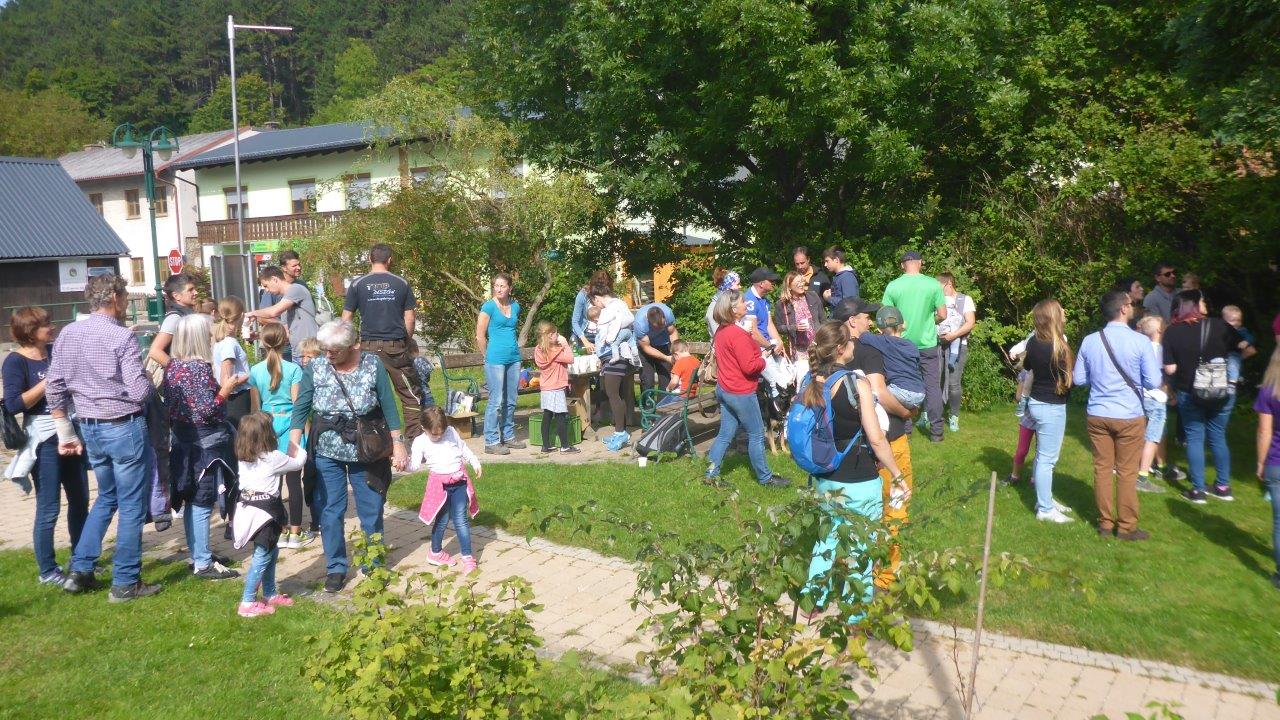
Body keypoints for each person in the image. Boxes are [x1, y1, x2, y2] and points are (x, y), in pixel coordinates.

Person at [47, 274, 159, 601]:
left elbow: (54, 385)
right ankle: (125, 581)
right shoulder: (121, 336)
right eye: (125, 297)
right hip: (123, 425)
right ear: (114, 298)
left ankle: (80, 570)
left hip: (90, 426)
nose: (126, 303)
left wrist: (64, 430)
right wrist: (150, 378)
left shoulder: (68, 333)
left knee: (107, 496)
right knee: (131, 504)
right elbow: (138, 391)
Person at [289, 320, 408, 593]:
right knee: (331, 510)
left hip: (366, 450)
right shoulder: (316, 367)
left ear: (353, 345)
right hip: (327, 451)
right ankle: (336, 567)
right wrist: (294, 445)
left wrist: (398, 443)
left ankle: (373, 564)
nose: (328, 354)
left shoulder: (372, 364)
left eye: (335, 350)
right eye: (325, 349)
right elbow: (301, 407)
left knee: (371, 508)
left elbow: (389, 406)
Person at [801, 321, 904, 616]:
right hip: (858, 477)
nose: (854, 347)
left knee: (827, 538)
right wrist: (897, 474)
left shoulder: (810, 381)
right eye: (850, 343)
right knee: (861, 546)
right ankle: (855, 613)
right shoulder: (856, 384)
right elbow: (876, 437)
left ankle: (812, 602)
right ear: (841, 349)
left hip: (824, 475)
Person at [831, 297, 916, 586]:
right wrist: (906, 412)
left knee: (848, 515)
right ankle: (884, 576)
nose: (870, 320)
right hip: (887, 440)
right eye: (866, 316)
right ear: (852, 321)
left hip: (847, 447)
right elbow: (879, 392)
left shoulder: (827, 351)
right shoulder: (869, 351)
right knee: (893, 508)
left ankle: (846, 571)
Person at [2, 307, 89, 585]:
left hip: (71, 433)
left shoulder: (55, 351)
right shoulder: (15, 362)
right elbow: (14, 404)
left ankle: (80, 561)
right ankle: (48, 570)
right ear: (30, 331)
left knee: (80, 500)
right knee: (49, 507)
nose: (51, 327)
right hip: (44, 441)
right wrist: (49, 381)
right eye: (45, 324)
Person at [1073, 290, 1162, 540]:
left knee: (1102, 468)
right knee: (1126, 471)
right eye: (1130, 303)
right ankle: (1126, 527)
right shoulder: (1140, 342)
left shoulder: (1090, 341)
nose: (1133, 306)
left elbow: (1078, 379)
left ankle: (1105, 524)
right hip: (1129, 415)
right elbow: (1153, 381)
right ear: (1123, 308)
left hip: (1098, 413)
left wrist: (1100, 379)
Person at [164, 313, 244, 581]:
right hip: (204, 445)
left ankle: (199, 553)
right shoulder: (198, 369)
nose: (212, 337)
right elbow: (207, 411)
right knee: (202, 500)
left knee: (190, 498)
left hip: (183, 440)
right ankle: (203, 563)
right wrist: (225, 390)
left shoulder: (173, 366)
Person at [1162, 289, 1250, 503]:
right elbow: (1247, 348)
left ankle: (1198, 490)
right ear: (1195, 305)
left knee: (1194, 437)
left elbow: (1170, 368)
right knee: (1218, 436)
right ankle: (1223, 487)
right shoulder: (1220, 326)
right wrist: (1228, 365)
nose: (1205, 303)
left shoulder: (1172, 332)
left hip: (1189, 391)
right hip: (1220, 389)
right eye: (1201, 300)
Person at [704, 290, 791, 487]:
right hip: (740, 392)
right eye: (743, 302)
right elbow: (750, 367)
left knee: (725, 435)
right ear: (733, 309)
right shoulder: (737, 334)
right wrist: (764, 358)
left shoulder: (721, 331)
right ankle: (766, 478)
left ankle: (710, 474)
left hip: (725, 389)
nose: (747, 304)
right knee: (757, 434)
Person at [341, 243, 423, 441]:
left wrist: (351, 344)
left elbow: (346, 319)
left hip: (368, 348)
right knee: (410, 394)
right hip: (395, 348)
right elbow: (410, 319)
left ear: (370, 259)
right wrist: (406, 340)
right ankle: (414, 441)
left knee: (367, 394)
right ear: (390, 260)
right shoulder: (401, 283)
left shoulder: (357, 284)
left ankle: (374, 442)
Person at [232, 412, 305, 618]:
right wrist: (295, 446)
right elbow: (299, 462)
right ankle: (247, 602)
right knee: (262, 556)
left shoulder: (244, 458)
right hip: (266, 514)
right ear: (267, 435)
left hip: (248, 510)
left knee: (271, 551)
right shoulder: (273, 458)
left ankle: (270, 593)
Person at [248, 322, 315, 549]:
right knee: (294, 483)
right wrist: (307, 432)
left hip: (267, 427)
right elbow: (299, 405)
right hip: (291, 426)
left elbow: (255, 407)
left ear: (263, 342)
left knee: (273, 483)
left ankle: (281, 528)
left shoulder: (255, 370)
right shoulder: (294, 369)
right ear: (285, 341)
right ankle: (296, 532)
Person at [880, 251, 947, 442]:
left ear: (902, 265)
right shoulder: (933, 284)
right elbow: (943, 314)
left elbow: (886, 317)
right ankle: (937, 432)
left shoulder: (893, 286)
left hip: (902, 344)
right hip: (927, 344)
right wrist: (930, 320)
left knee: (903, 384)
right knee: (932, 386)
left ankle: (905, 429)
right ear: (920, 263)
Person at [1020, 300, 1077, 523]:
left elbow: (1027, 367)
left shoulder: (1033, 342)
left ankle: (1046, 499)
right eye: (1061, 310)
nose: (1064, 312)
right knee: (1047, 459)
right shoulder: (1059, 346)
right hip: (1051, 406)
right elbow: (1069, 380)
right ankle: (1045, 509)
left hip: (1037, 402)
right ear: (1054, 316)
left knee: (1042, 454)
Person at [411, 405, 483, 572]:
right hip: (440, 487)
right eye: (434, 434)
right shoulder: (420, 442)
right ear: (424, 428)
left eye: (441, 432)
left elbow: (463, 448)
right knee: (442, 520)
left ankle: (467, 557)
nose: (439, 436)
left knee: (461, 519)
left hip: (459, 483)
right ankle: (435, 553)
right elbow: (414, 465)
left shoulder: (450, 431)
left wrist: (475, 462)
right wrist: (402, 464)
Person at [475, 273, 525, 455]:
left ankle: (508, 435)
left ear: (510, 288)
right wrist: (486, 356)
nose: (499, 289)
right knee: (495, 401)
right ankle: (491, 441)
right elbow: (480, 335)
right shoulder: (488, 307)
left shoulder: (515, 306)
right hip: (495, 359)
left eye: (502, 286)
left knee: (511, 400)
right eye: (496, 285)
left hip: (514, 358)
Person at [590, 285, 638, 449]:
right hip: (612, 356)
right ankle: (620, 431)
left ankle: (620, 433)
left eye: (595, 302)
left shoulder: (613, 307)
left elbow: (623, 323)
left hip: (614, 357)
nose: (596, 306)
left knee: (612, 395)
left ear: (598, 298)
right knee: (617, 395)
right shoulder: (617, 305)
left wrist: (608, 338)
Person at [857, 306, 926, 411]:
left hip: (901, 390)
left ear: (880, 328)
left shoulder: (885, 342)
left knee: (875, 394)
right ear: (901, 324)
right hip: (919, 392)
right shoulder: (911, 345)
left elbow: (864, 337)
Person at [248, 266, 319, 361]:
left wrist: (252, 313)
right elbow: (286, 333)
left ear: (274, 279)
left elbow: (274, 312)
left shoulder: (296, 289)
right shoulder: (286, 301)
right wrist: (258, 335)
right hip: (298, 354)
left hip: (310, 354)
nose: (266, 290)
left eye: (266, 286)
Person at [1134, 315, 1171, 494]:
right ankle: (1142, 477)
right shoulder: (1161, 350)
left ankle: (1136, 467)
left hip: (1140, 397)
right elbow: (1163, 377)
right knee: (1152, 437)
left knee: (1141, 433)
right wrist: (1169, 392)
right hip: (1156, 398)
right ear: (1159, 330)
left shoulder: (1140, 348)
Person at [936, 272, 976, 432]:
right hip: (937, 345)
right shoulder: (938, 300)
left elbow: (970, 322)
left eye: (940, 287)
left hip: (958, 346)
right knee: (934, 381)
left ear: (949, 284)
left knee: (953, 383)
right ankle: (930, 414)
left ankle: (953, 416)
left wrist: (953, 335)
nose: (938, 290)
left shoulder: (965, 299)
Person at [1254, 348, 1280, 590]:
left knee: (1279, 522)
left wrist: (1261, 463)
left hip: (1276, 463)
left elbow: (1264, 431)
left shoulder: (1269, 391)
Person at [532, 321, 579, 454]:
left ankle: (546, 445)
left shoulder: (539, 349)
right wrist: (565, 344)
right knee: (560, 416)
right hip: (556, 387)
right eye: (556, 334)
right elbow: (570, 358)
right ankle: (565, 446)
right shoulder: (555, 351)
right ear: (550, 335)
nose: (558, 336)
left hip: (546, 387)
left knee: (547, 415)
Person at [743, 267, 789, 395]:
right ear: (761, 284)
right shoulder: (749, 301)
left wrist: (780, 342)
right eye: (771, 280)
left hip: (768, 346)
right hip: (758, 349)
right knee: (778, 384)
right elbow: (753, 332)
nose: (774, 283)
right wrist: (770, 347)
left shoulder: (765, 300)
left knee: (788, 377)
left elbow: (769, 324)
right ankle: (779, 407)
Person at [776, 271, 824, 383]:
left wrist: (824, 337)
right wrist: (794, 327)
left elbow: (823, 319)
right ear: (789, 286)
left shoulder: (812, 296)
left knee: (820, 378)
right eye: (797, 283)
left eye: (802, 281)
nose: (801, 284)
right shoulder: (782, 304)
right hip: (799, 349)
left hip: (817, 345)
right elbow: (779, 328)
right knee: (803, 380)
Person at [213, 296, 252, 426]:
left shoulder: (224, 340)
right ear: (241, 315)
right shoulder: (229, 343)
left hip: (235, 398)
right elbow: (226, 382)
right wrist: (250, 375)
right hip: (236, 399)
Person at [147, 273, 199, 370]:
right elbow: (154, 351)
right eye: (190, 290)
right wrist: (181, 371)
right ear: (176, 296)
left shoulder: (185, 315)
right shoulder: (175, 318)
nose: (196, 292)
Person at [633, 301, 679, 394]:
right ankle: (647, 402)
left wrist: (676, 352)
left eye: (663, 325)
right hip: (645, 348)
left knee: (665, 378)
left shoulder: (668, 313)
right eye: (657, 327)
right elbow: (646, 347)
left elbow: (672, 332)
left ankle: (663, 402)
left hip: (663, 344)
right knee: (647, 380)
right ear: (648, 321)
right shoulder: (640, 323)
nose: (661, 328)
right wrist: (666, 358)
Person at [572, 270, 613, 352]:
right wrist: (585, 342)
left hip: (603, 335)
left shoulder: (610, 297)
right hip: (584, 335)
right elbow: (575, 321)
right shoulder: (583, 295)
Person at [1221, 305, 1256, 395]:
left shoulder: (1241, 330)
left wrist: (1246, 342)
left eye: (1239, 320)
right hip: (1222, 357)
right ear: (1224, 320)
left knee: (1233, 363)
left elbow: (1250, 337)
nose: (1236, 323)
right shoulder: (1220, 330)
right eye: (1232, 320)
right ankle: (1237, 377)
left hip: (1233, 354)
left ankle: (1233, 382)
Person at [705, 268, 742, 338]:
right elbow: (721, 338)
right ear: (728, 287)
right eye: (738, 284)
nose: (740, 287)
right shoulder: (714, 310)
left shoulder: (732, 305)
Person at [663, 340, 701, 405]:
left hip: (679, 396)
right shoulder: (697, 361)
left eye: (674, 357)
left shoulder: (680, 362)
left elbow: (674, 382)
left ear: (676, 354)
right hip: (691, 395)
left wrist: (668, 389)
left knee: (656, 408)